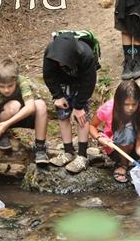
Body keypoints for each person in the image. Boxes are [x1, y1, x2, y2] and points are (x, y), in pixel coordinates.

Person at [89, 80, 140, 183]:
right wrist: (99, 138)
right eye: (126, 104)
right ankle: (122, 164)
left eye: (134, 104)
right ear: (119, 102)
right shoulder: (108, 108)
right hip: (118, 149)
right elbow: (91, 125)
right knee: (127, 129)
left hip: (135, 148)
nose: (130, 108)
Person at [43, 32, 97, 173]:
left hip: (81, 81)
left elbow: (89, 83)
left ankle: (82, 155)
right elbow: (48, 76)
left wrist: (79, 107)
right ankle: (68, 151)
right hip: (62, 82)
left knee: (82, 116)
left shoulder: (86, 55)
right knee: (62, 114)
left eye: (63, 61)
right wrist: (58, 96)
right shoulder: (50, 52)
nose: (60, 63)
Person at [0, 58, 49, 166]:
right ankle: (2, 135)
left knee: (40, 104)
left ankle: (40, 148)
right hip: (2, 121)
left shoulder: (21, 81)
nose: (6, 90)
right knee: (13, 106)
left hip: (20, 117)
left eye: (10, 86)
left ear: (15, 79)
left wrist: (7, 124)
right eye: (2, 86)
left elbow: (31, 107)